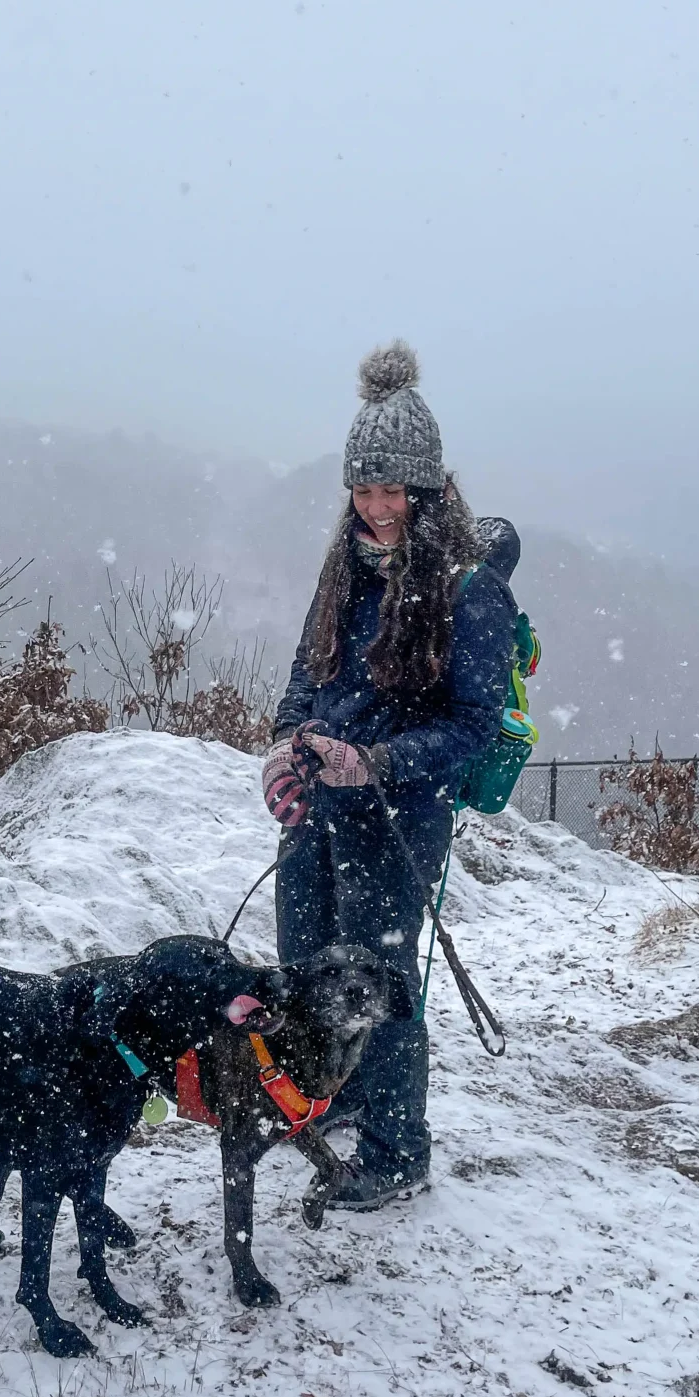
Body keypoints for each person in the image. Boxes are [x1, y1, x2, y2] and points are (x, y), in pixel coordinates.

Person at [262, 340, 516, 1210]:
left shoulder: (467, 588)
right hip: (318, 809)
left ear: (429, 488)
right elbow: (307, 671)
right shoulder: (345, 567)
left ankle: (399, 1151)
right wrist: (289, 744)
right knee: (305, 964)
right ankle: (346, 1096)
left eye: (392, 490)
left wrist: (373, 762)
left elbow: (473, 726)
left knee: (378, 976)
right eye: (363, 490)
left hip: (400, 815)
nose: (376, 508)